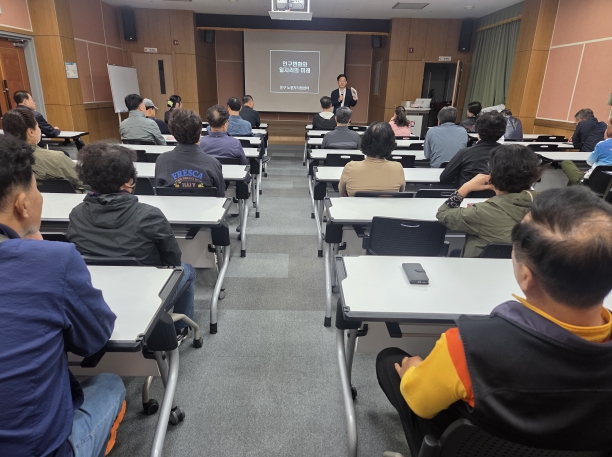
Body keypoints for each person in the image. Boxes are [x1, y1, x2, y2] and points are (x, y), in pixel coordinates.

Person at [377, 185, 612, 456]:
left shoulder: (467, 345)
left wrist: (412, 371)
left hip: (473, 447)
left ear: (526, 276)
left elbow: (420, 404)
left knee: (390, 360)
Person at [0, 134, 126, 457]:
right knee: (111, 383)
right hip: (40, 451)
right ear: (22, 204)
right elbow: (94, 339)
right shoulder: (54, 262)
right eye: (37, 187)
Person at [65, 141, 196, 340]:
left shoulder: (77, 214)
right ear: (128, 181)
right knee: (187, 270)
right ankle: (179, 330)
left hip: (95, 293)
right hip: (145, 294)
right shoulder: (150, 215)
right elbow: (173, 261)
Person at [436, 144, 542, 257]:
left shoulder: (480, 212)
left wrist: (466, 187)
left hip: (481, 267)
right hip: (526, 265)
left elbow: (443, 213)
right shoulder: (547, 205)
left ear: (492, 174)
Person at [2, 107, 84, 192]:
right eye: (38, 126)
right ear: (31, 132)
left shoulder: (4, 162)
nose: (40, 130)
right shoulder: (57, 158)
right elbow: (81, 181)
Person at [155, 108, 225, 196]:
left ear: (173, 134)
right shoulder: (213, 163)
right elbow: (220, 195)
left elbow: (159, 193)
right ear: (199, 133)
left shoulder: (161, 161)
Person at [440, 110, 507, 187]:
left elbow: (444, 178)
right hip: (499, 194)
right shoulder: (511, 155)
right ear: (503, 131)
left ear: (478, 130)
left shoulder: (465, 153)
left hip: (468, 193)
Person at [339, 122, 405, 197]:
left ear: (364, 141)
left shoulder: (350, 167)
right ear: (391, 143)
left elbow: (342, 191)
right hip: (387, 205)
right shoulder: (397, 168)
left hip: (356, 205)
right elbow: (401, 192)